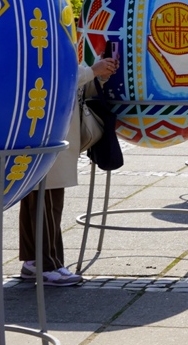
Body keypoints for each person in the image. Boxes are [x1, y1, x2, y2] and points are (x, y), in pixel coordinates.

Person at [19, 53, 119, 286]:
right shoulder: (43, 34)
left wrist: (94, 72)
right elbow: (55, 76)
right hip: (47, 127)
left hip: (45, 125)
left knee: (39, 196)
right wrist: (93, 71)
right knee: (46, 196)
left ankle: (35, 262)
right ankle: (47, 264)